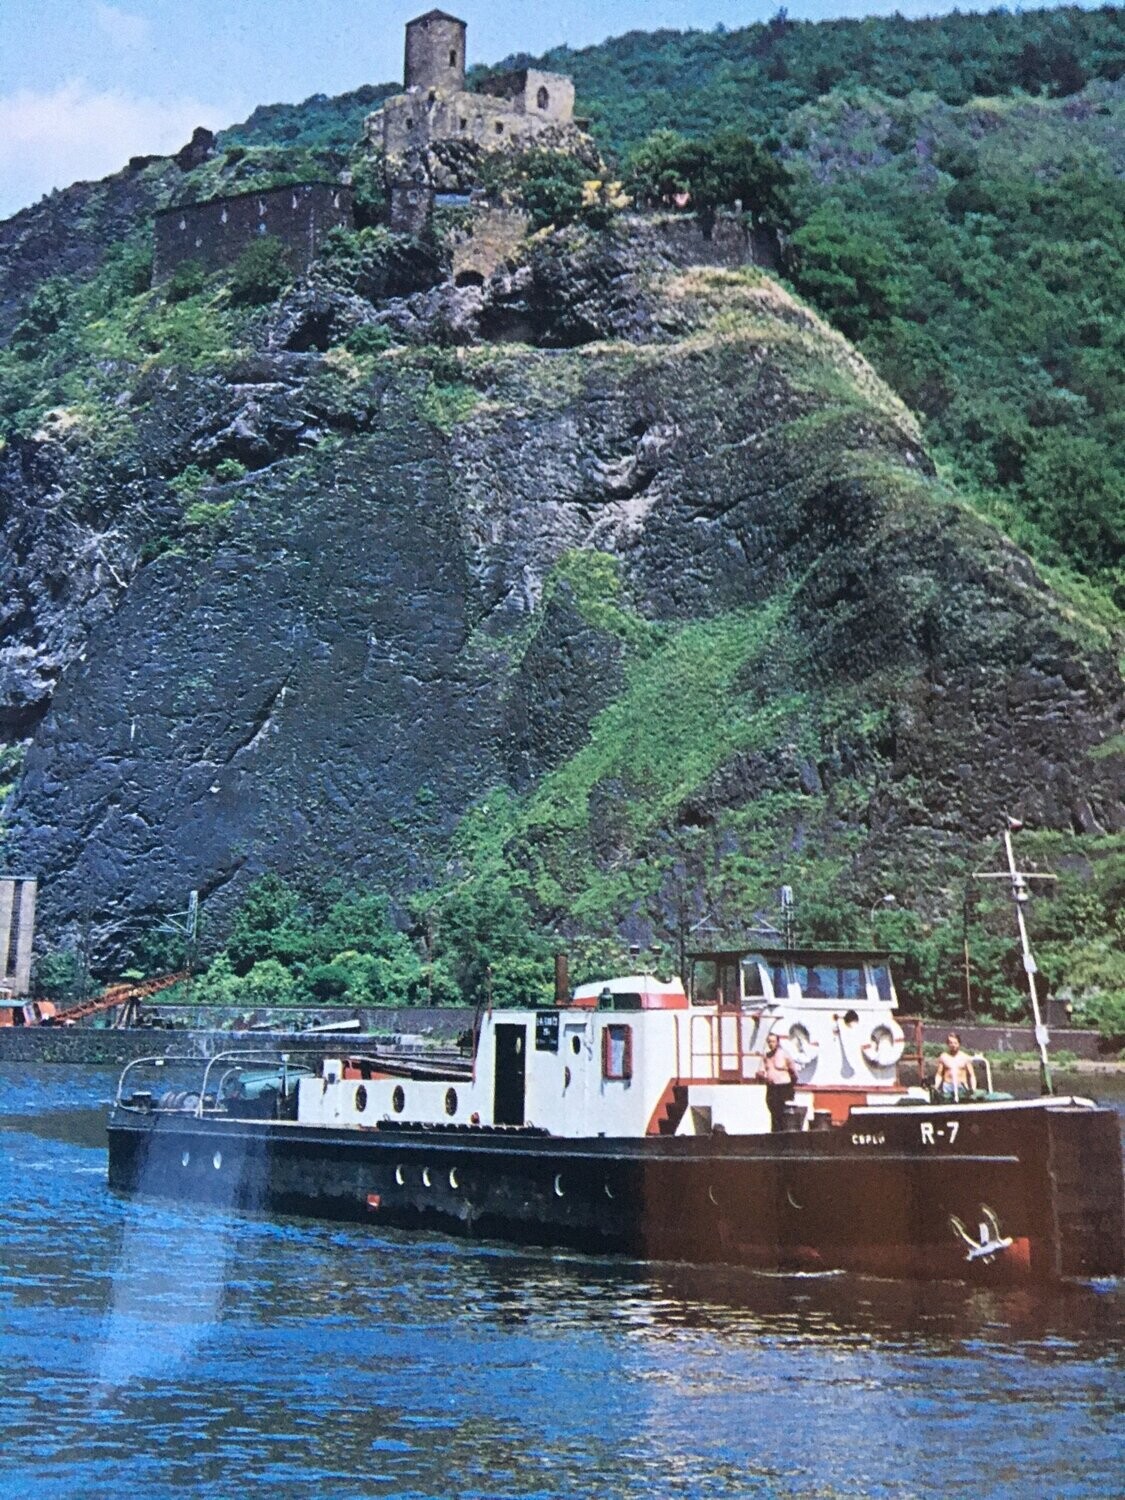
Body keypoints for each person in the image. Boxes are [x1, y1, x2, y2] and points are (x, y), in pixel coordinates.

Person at [759, 1031, 800, 1131]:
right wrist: (763, 1076)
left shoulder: (784, 1055)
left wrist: (791, 1086)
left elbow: (793, 1072)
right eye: (769, 1042)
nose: (771, 1044)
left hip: (783, 1087)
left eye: (773, 1041)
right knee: (773, 1112)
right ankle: (775, 1134)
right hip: (772, 1088)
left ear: (777, 1042)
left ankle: (783, 1135)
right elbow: (761, 1070)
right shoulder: (766, 1056)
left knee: (782, 1113)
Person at [934, 1032, 977, 1099]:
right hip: (947, 1086)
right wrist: (936, 1087)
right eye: (951, 1043)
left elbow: (972, 1075)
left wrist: (973, 1089)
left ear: (959, 1044)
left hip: (961, 1086)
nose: (953, 1045)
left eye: (955, 1043)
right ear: (948, 1044)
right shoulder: (943, 1057)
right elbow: (939, 1074)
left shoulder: (965, 1057)